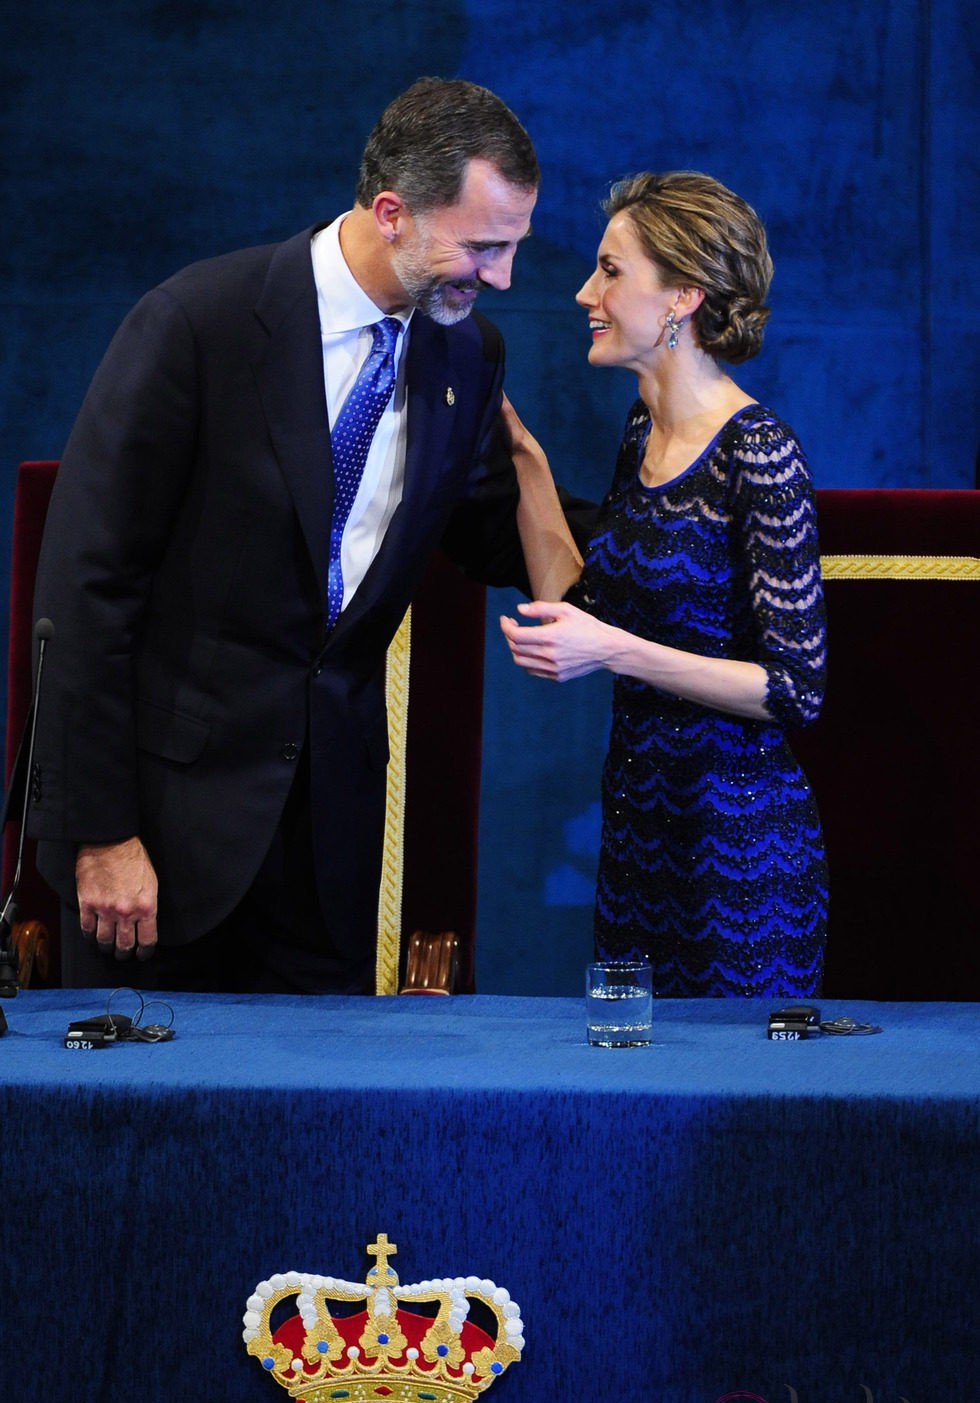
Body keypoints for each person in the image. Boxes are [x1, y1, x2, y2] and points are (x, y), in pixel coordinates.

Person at [29, 77, 545, 994]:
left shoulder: (467, 352)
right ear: (391, 212)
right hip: (161, 847)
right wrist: (98, 834)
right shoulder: (198, 323)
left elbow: (492, 532)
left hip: (330, 863)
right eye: (483, 247)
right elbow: (84, 590)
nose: (502, 278)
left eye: (513, 247)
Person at [500, 170, 827, 998]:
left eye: (610, 270)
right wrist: (521, 459)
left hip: (740, 854)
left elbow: (795, 689)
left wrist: (614, 650)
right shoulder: (643, 428)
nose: (585, 292)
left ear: (682, 296)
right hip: (642, 836)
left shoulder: (759, 450)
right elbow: (584, 610)